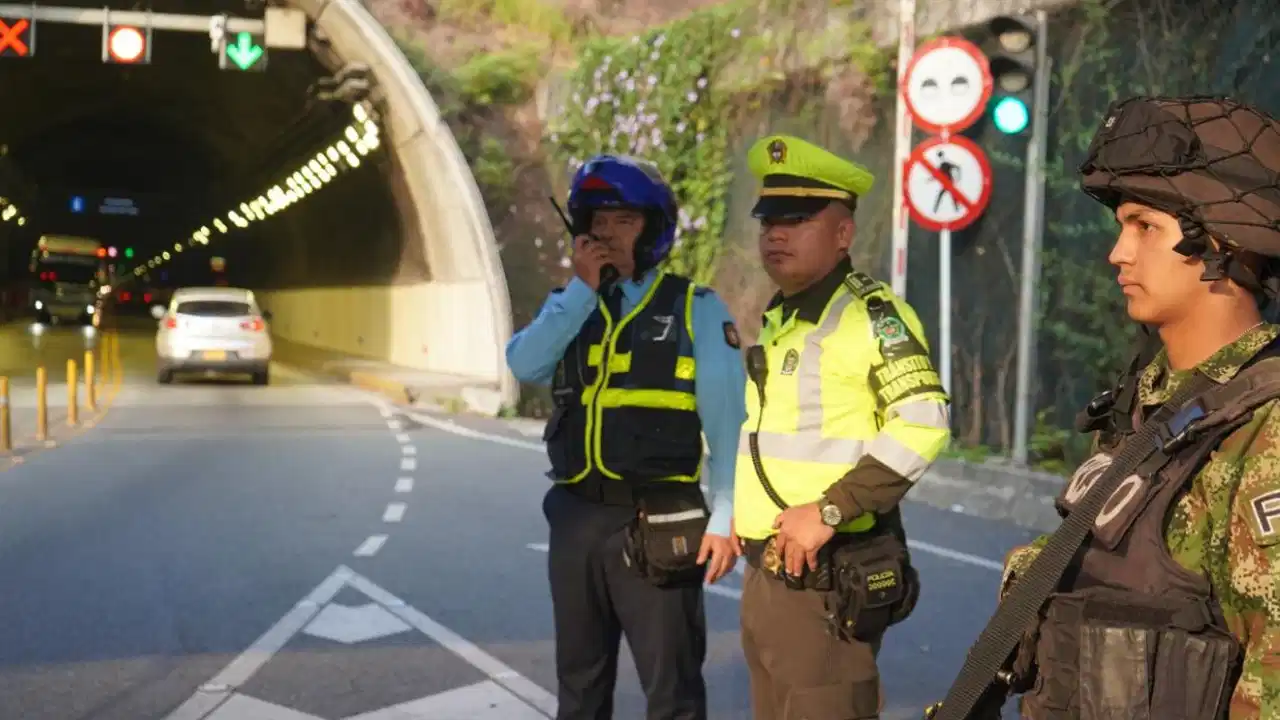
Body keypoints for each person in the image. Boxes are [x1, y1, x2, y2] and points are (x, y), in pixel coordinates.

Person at [955, 96, 1280, 720]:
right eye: (1121, 227)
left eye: (1144, 226)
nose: (1118, 253)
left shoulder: (1261, 428)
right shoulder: (1150, 403)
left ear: (1221, 239)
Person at [505, 154, 746, 720]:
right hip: (576, 519)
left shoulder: (696, 308)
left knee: (672, 691)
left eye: (625, 220)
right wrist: (580, 292)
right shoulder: (571, 306)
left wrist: (726, 514)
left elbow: (728, 423)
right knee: (579, 686)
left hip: (659, 522)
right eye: (598, 221)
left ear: (653, 229)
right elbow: (524, 364)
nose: (608, 233)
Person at [734, 134, 952, 719]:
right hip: (768, 577)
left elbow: (923, 422)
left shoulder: (869, 316)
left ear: (843, 233)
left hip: (824, 579)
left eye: (797, 219)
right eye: (768, 220)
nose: (775, 234)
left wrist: (830, 510)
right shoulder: (784, 315)